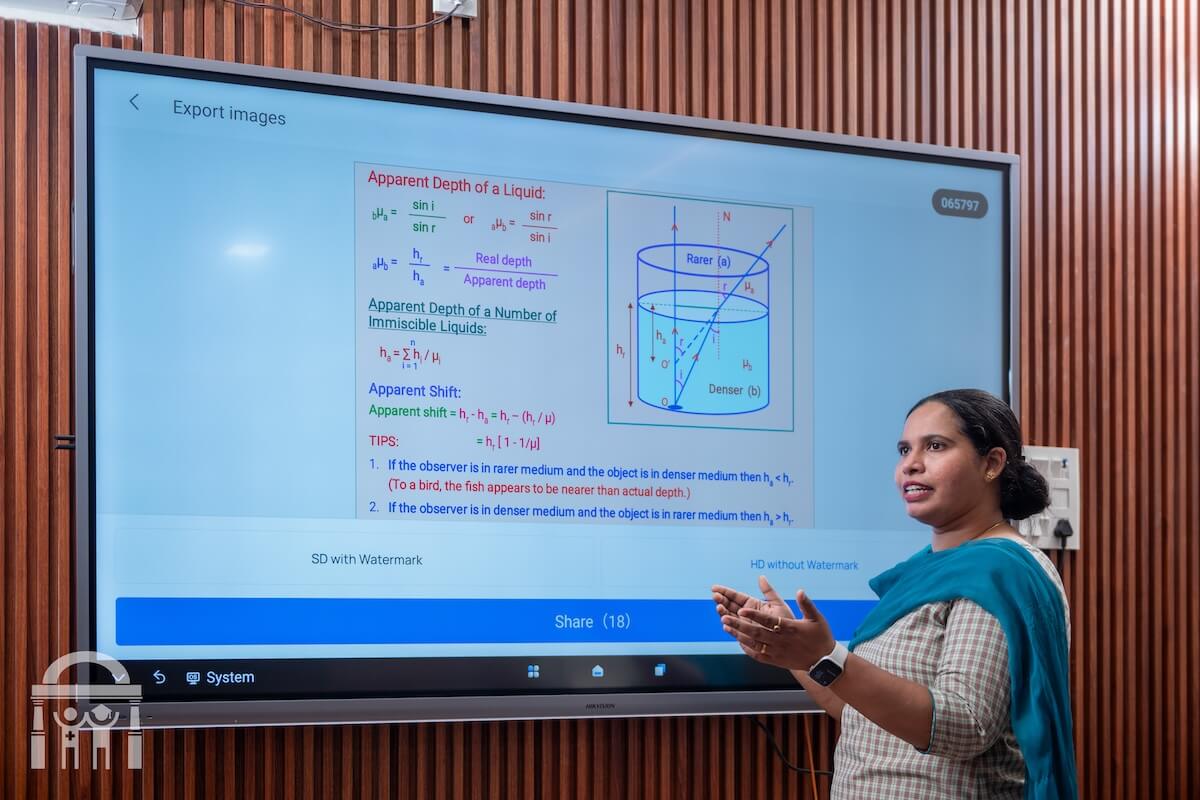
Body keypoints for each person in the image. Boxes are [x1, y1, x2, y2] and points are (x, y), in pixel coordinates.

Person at [713, 389, 1076, 799]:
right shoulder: (926, 570)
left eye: (935, 446)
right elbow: (858, 714)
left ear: (991, 463)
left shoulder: (1000, 572)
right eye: (904, 450)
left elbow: (964, 727)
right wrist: (793, 651)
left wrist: (826, 657)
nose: (911, 465)